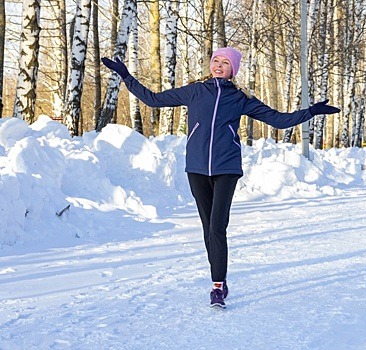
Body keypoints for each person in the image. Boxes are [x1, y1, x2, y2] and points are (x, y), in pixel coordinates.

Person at [101, 47, 340, 308]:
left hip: (227, 168)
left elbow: (278, 120)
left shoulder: (240, 98)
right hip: (197, 167)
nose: (219, 65)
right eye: (216, 60)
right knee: (207, 228)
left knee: (217, 227)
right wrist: (125, 76)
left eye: (226, 63)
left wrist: (311, 112)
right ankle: (219, 278)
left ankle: (217, 285)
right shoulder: (194, 91)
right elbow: (153, 99)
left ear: (233, 70)